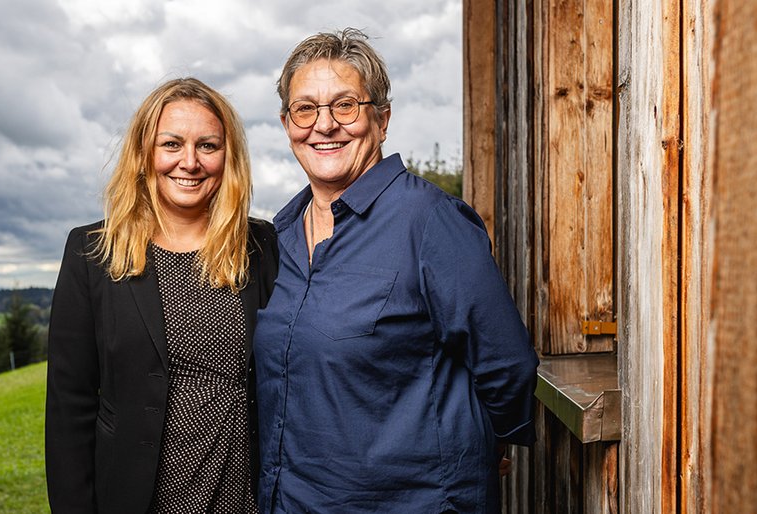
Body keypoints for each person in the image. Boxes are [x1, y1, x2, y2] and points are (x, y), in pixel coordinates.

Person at [253, 29, 539, 513]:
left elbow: (507, 366)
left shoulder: (430, 221)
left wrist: (481, 451)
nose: (324, 125)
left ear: (381, 120)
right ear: (287, 124)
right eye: (306, 109)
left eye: (345, 105)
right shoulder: (279, 235)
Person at [45, 77, 277, 513]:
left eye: (207, 146)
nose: (189, 162)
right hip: (137, 498)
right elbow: (68, 408)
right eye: (171, 144)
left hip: (245, 497)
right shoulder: (91, 253)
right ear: (143, 154)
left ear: (228, 157)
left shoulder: (261, 247)